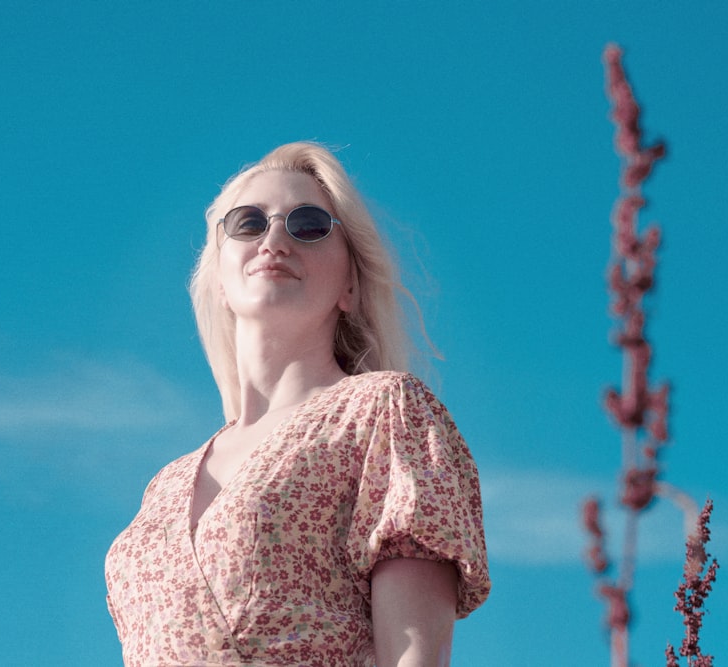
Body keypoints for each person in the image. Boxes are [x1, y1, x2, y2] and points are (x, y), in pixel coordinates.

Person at [105, 141, 491, 667]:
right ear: (219, 275)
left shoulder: (384, 413)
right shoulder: (163, 486)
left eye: (308, 224)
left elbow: (415, 658)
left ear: (350, 285)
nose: (275, 239)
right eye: (247, 223)